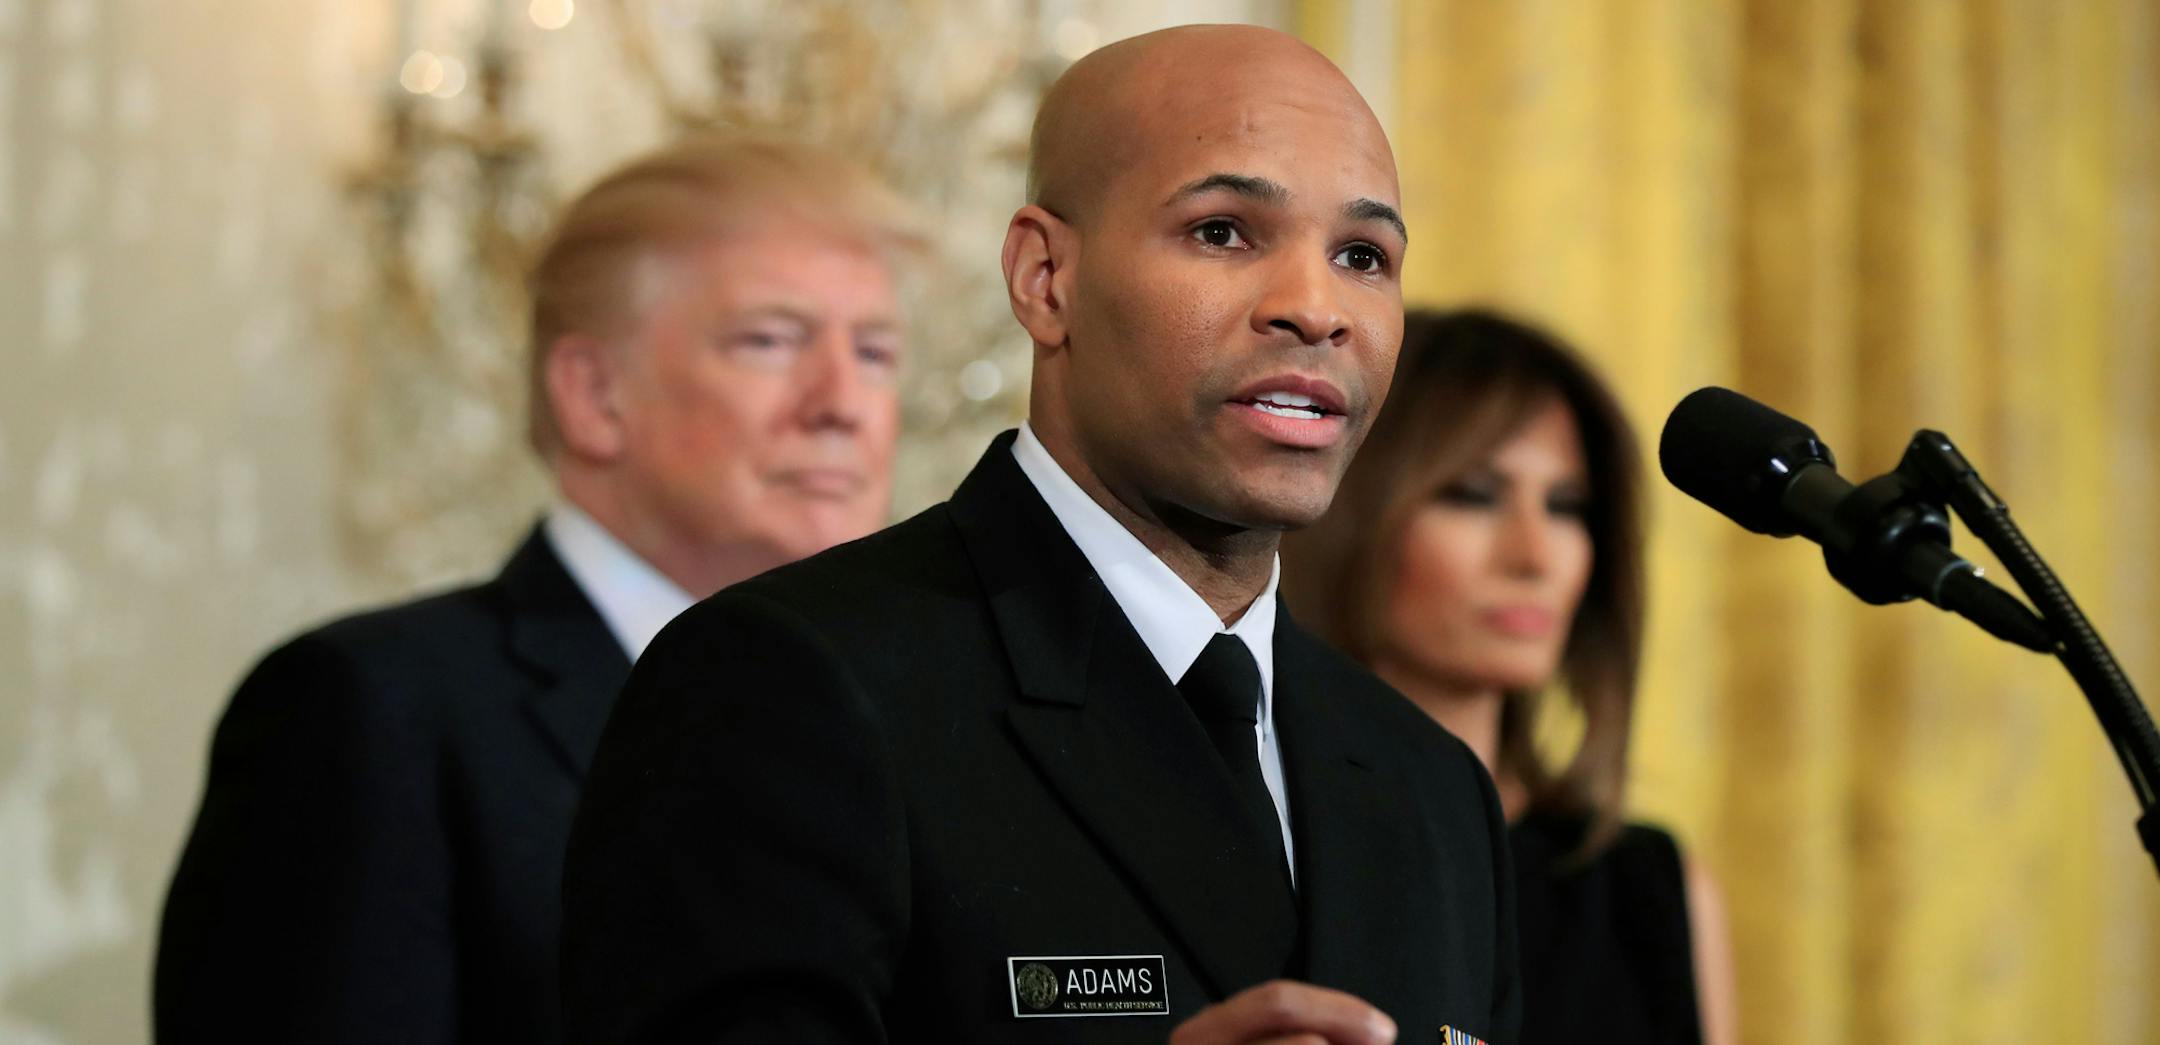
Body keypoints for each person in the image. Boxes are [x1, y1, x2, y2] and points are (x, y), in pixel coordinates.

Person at [562, 24, 1517, 1045]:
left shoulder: (1429, 784)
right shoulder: (787, 687)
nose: (1315, 309)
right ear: (1044, 278)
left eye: (1364, 256)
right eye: (1224, 232)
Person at [153, 135, 920, 1044]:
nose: (842, 400)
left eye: (874, 352)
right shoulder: (371, 709)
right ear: (594, 394)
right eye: (769, 340)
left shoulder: (914, 712)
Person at [1281, 308, 1740, 1045]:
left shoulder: (1652, 889)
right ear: (1348, 507)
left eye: (1567, 506)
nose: (1535, 557)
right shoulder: (1255, 835)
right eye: (1474, 494)